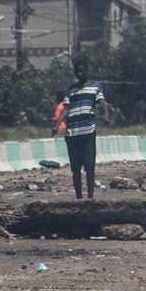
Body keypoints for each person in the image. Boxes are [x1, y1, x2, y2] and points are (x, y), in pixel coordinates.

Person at [61, 71, 107, 201]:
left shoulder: (95, 87)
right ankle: (79, 199)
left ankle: (90, 198)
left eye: (83, 70)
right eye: (78, 71)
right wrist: (57, 124)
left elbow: (102, 102)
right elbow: (66, 108)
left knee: (90, 166)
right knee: (75, 168)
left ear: (87, 71)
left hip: (88, 131)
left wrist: (106, 114)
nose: (81, 73)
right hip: (72, 133)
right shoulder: (71, 89)